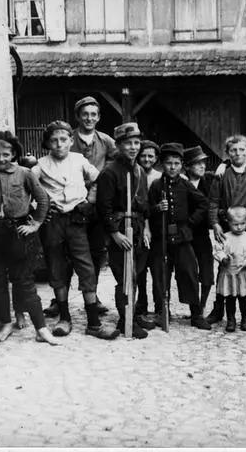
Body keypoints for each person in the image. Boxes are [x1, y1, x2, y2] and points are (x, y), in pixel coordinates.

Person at [32, 120, 119, 340]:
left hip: (77, 220)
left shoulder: (79, 160)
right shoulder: (40, 165)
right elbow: (26, 186)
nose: (59, 144)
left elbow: (101, 179)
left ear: (71, 141)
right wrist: (40, 207)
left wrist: (90, 200)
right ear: (47, 144)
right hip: (53, 223)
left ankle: (93, 323)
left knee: (86, 266)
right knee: (57, 267)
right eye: (54, 140)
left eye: (63, 139)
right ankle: (64, 318)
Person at [0, 131, 59, 345]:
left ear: (13, 154)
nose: (1, 158)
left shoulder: (24, 173)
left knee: (25, 282)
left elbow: (43, 199)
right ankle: (5, 322)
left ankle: (41, 328)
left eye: (6, 154)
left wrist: (36, 224)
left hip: (18, 234)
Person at [44, 96, 115, 318]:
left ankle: (92, 297)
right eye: (85, 114)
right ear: (77, 117)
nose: (89, 118)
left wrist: (95, 196)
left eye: (94, 114)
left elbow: (114, 164)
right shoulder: (66, 137)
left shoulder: (106, 141)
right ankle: (59, 299)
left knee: (92, 253)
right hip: (69, 205)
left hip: (93, 204)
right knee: (63, 253)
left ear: (99, 117)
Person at [96, 122, 154, 339]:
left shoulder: (140, 171)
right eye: (128, 143)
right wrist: (115, 234)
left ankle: (130, 315)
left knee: (136, 274)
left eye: (136, 142)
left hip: (139, 229)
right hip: (120, 230)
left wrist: (147, 228)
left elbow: (145, 204)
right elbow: (104, 208)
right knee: (124, 277)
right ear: (118, 145)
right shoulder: (109, 173)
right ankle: (125, 317)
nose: (133, 147)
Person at [207, 135, 246, 326]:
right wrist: (215, 223)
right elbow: (213, 202)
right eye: (233, 150)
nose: (238, 153)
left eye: (242, 150)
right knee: (224, 266)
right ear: (228, 153)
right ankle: (219, 309)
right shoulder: (221, 174)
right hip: (227, 226)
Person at [148, 143, 211, 330]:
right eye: (168, 163)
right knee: (161, 275)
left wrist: (190, 223)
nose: (173, 167)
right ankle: (162, 312)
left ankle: (196, 314)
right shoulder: (156, 185)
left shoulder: (185, 184)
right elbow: (147, 210)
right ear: (162, 164)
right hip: (162, 239)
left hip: (183, 238)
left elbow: (203, 204)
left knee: (189, 272)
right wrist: (157, 208)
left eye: (176, 163)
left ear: (182, 164)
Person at [213, 207, 246, 332]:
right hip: (229, 273)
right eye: (235, 224)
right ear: (228, 222)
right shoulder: (225, 237)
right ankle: (231, 319)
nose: (239, 227)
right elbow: (217, 249)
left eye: (242, 223)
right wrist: (223, 258)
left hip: (243, 273)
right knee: (230, 298)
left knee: (244, 298)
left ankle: (245, 319)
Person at [182, 146, 216, 313]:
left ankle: (201, 306)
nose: (202, 166)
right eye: (197, 163)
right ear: (187, 167)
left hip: (202, 232)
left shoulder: (210, 180)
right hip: (186, 233)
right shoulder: (180, 182)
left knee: (207, 272)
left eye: (203, 162)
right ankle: (194, 308)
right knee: (188, 272)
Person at [134, 139, 162, 318]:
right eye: (143, 155)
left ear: (156, 158)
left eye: (150, 156)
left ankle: (160, 307)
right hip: (140, 228)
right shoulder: (134, 174)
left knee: (158, 270)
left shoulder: (160, 177)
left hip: (158, 229)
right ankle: (141, 304)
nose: (146, 159)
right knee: (140, 270)